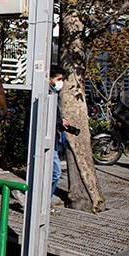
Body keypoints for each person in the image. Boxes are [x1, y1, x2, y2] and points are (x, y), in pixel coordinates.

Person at [49, 64, 70, 203]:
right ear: (50, 79)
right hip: (48, 139)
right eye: (58, 79)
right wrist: (58, 122)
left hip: (54, 139)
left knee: (52, 173)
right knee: (56, 173)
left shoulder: (53, 94)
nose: (60, 82)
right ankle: (41, 200)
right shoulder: (46, 94)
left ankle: (41, 201)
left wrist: (60, 121)